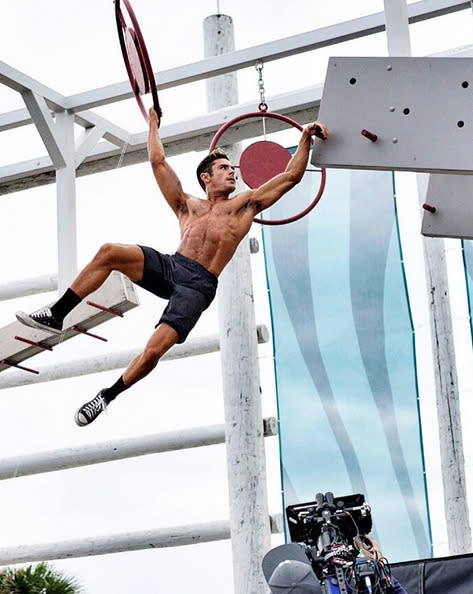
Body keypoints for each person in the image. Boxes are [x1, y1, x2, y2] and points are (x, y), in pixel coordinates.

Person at [16, 107, 328, 427]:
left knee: (154, 351)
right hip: (172, 266)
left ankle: (107, 395)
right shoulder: (186, 204)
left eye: (232, 168)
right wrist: (153, 123)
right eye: (224, 168)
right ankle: (57, 314)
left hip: (198, 286)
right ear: (207, 177)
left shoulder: (245, 205)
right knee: (110, 252)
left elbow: (290, 176)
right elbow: (157, 162)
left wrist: (304, 139)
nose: (233, 172)